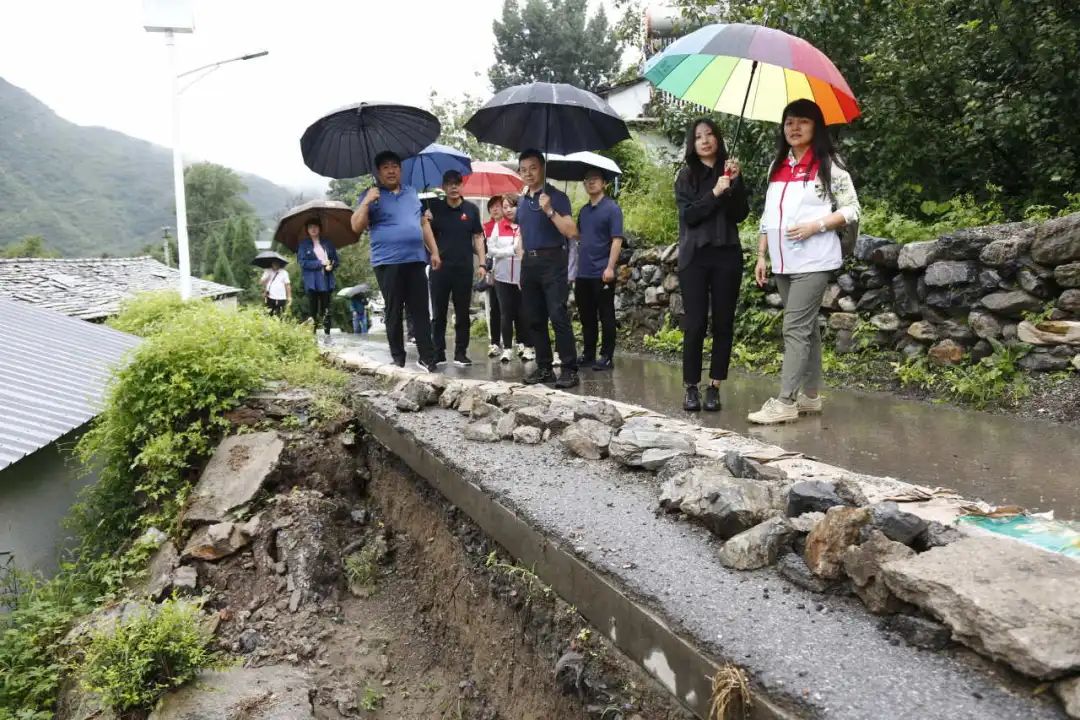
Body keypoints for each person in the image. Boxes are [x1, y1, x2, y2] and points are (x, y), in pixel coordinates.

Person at [748, 99, 861, 424]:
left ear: (816, 127)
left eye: (803, 122)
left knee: (794, 328)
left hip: (814, 259)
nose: (794, 128)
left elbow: (852, 209)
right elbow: (769, 215)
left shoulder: (829, 164)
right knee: (807, 328)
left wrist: (817, 225)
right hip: (783, 261)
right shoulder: (777, 165)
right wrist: (761, 254)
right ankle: (810, 397)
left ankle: (785, 401)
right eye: (789, 122)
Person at [675, 119, 749, 412]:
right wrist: (715, 192)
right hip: (694, 256)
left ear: (718, 138)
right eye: (698, 137)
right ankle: (691, 387)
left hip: (726, 255)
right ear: (692, 144)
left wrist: (735, 184)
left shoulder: (729, 173)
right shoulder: (686, 176)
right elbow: (689, 216)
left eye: (709, 135)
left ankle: (715, 386)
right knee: (695, 323)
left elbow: (740, 214)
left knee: (723, 323)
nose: (704, 140)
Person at [351, 150, 442, 371]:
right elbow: (355, 226)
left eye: (395, 166)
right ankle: (398, 358)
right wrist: (367, 202)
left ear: (400, 170)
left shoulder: (411, 192)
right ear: (378, 172)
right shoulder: (371, 194)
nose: (391, 171)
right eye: (386, 167)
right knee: (394, 310)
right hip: (387, 262)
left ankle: (427, 358)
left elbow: (423, 223)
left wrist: (434, 251)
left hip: (415, 259)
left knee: (420, 310)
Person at [516, 149, 579, 388]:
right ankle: (544, 368)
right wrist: (522, 257)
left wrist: (550, 211)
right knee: (534, 318)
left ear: (542, 168)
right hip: (529, 263)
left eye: (533, 168)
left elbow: (571, 232)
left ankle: (569, 369)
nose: (528, 173)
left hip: (553, 261)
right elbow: (524, 232)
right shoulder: (523, 201)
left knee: (557, 315)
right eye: (523, 169)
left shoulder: (556, 197)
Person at [425, 170, 486, 366]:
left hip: (463, 268)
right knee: (439, 312)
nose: (453, 187)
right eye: (449, 183)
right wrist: (425, 221)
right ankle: (438, 352)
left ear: (462, 186)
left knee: (462, 312)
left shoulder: (471, 209)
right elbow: (425, 235)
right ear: (443, 187)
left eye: (457, 183)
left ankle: (461, 352)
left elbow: (478, 237)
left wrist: (482, 263)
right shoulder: (434, 208)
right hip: (440, 268)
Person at [575, 168, 624, 371]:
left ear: (604, 183)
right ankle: (588, 354)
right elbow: (579, 238)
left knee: (606, 315)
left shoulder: (612, 208)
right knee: (586, 316)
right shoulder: (584, 211)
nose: (591, 182)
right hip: (583, 272)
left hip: (603, 272)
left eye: (595, 179)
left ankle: (607, 356)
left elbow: (617, 240)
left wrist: (610, 267)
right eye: (587, 180)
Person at [490, 194, 530, 363]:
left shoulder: (526, 225)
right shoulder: (498, 226)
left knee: (524, 313)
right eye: (505, 207)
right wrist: (511, 250)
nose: (508, 210)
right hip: (503, 277)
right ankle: (507, 348)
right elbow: (491, 250)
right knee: (505, 313)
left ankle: (526, 345)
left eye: (511, 206)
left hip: (523, 277)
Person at [297, 218, 340, 340]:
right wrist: (320, 263)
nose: (313, 229)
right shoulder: (304, 245)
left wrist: (331, 265)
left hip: (326, 280)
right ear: (307, 230)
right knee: (313, 310)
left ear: (320, 228)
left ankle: (327, 334)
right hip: (312, 282)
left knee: (326, 309)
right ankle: (313, 335)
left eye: (315, 226)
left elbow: (336, 260)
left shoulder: (327, 243)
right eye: (310, 227)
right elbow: (303, 263)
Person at [482, 196, 504, 358]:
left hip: (508, 271)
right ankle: (495, 341)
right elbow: (480, 248)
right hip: (492, 272)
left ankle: (517, 341)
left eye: (498, 206)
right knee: (494, 307)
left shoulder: (512, 226)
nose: (495, 209)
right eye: (492, 207)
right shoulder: (486, 227)